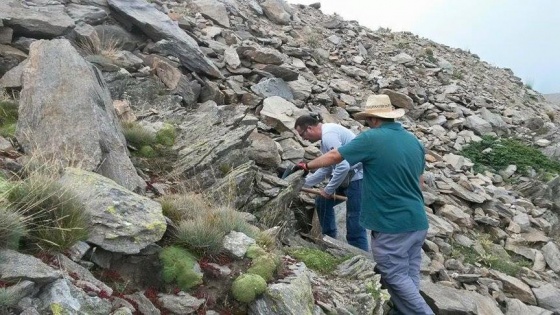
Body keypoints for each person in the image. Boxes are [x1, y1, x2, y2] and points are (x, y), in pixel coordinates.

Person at [293, 95, 433, 315]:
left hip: (391, 223)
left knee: (393, 273)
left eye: (368, 119)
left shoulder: (372, 138)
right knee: (408, 271)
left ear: (373, 119)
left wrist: (306, 166)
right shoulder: (415, 143)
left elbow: (335, 157)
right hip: (417, 220)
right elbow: (420, 182)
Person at [294, 114, 369, 252]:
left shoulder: (329, 135)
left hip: (358, 179)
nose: (303, 138)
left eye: (302, 134)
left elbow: (343, 166)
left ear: (309, 128)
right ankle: (329, 241)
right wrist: (303, 184)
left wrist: (328, 190)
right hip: (346, 178)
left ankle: (360, 257)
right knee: (322, 202)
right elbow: (327, 168)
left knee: (354, 221)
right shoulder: (325, 139)